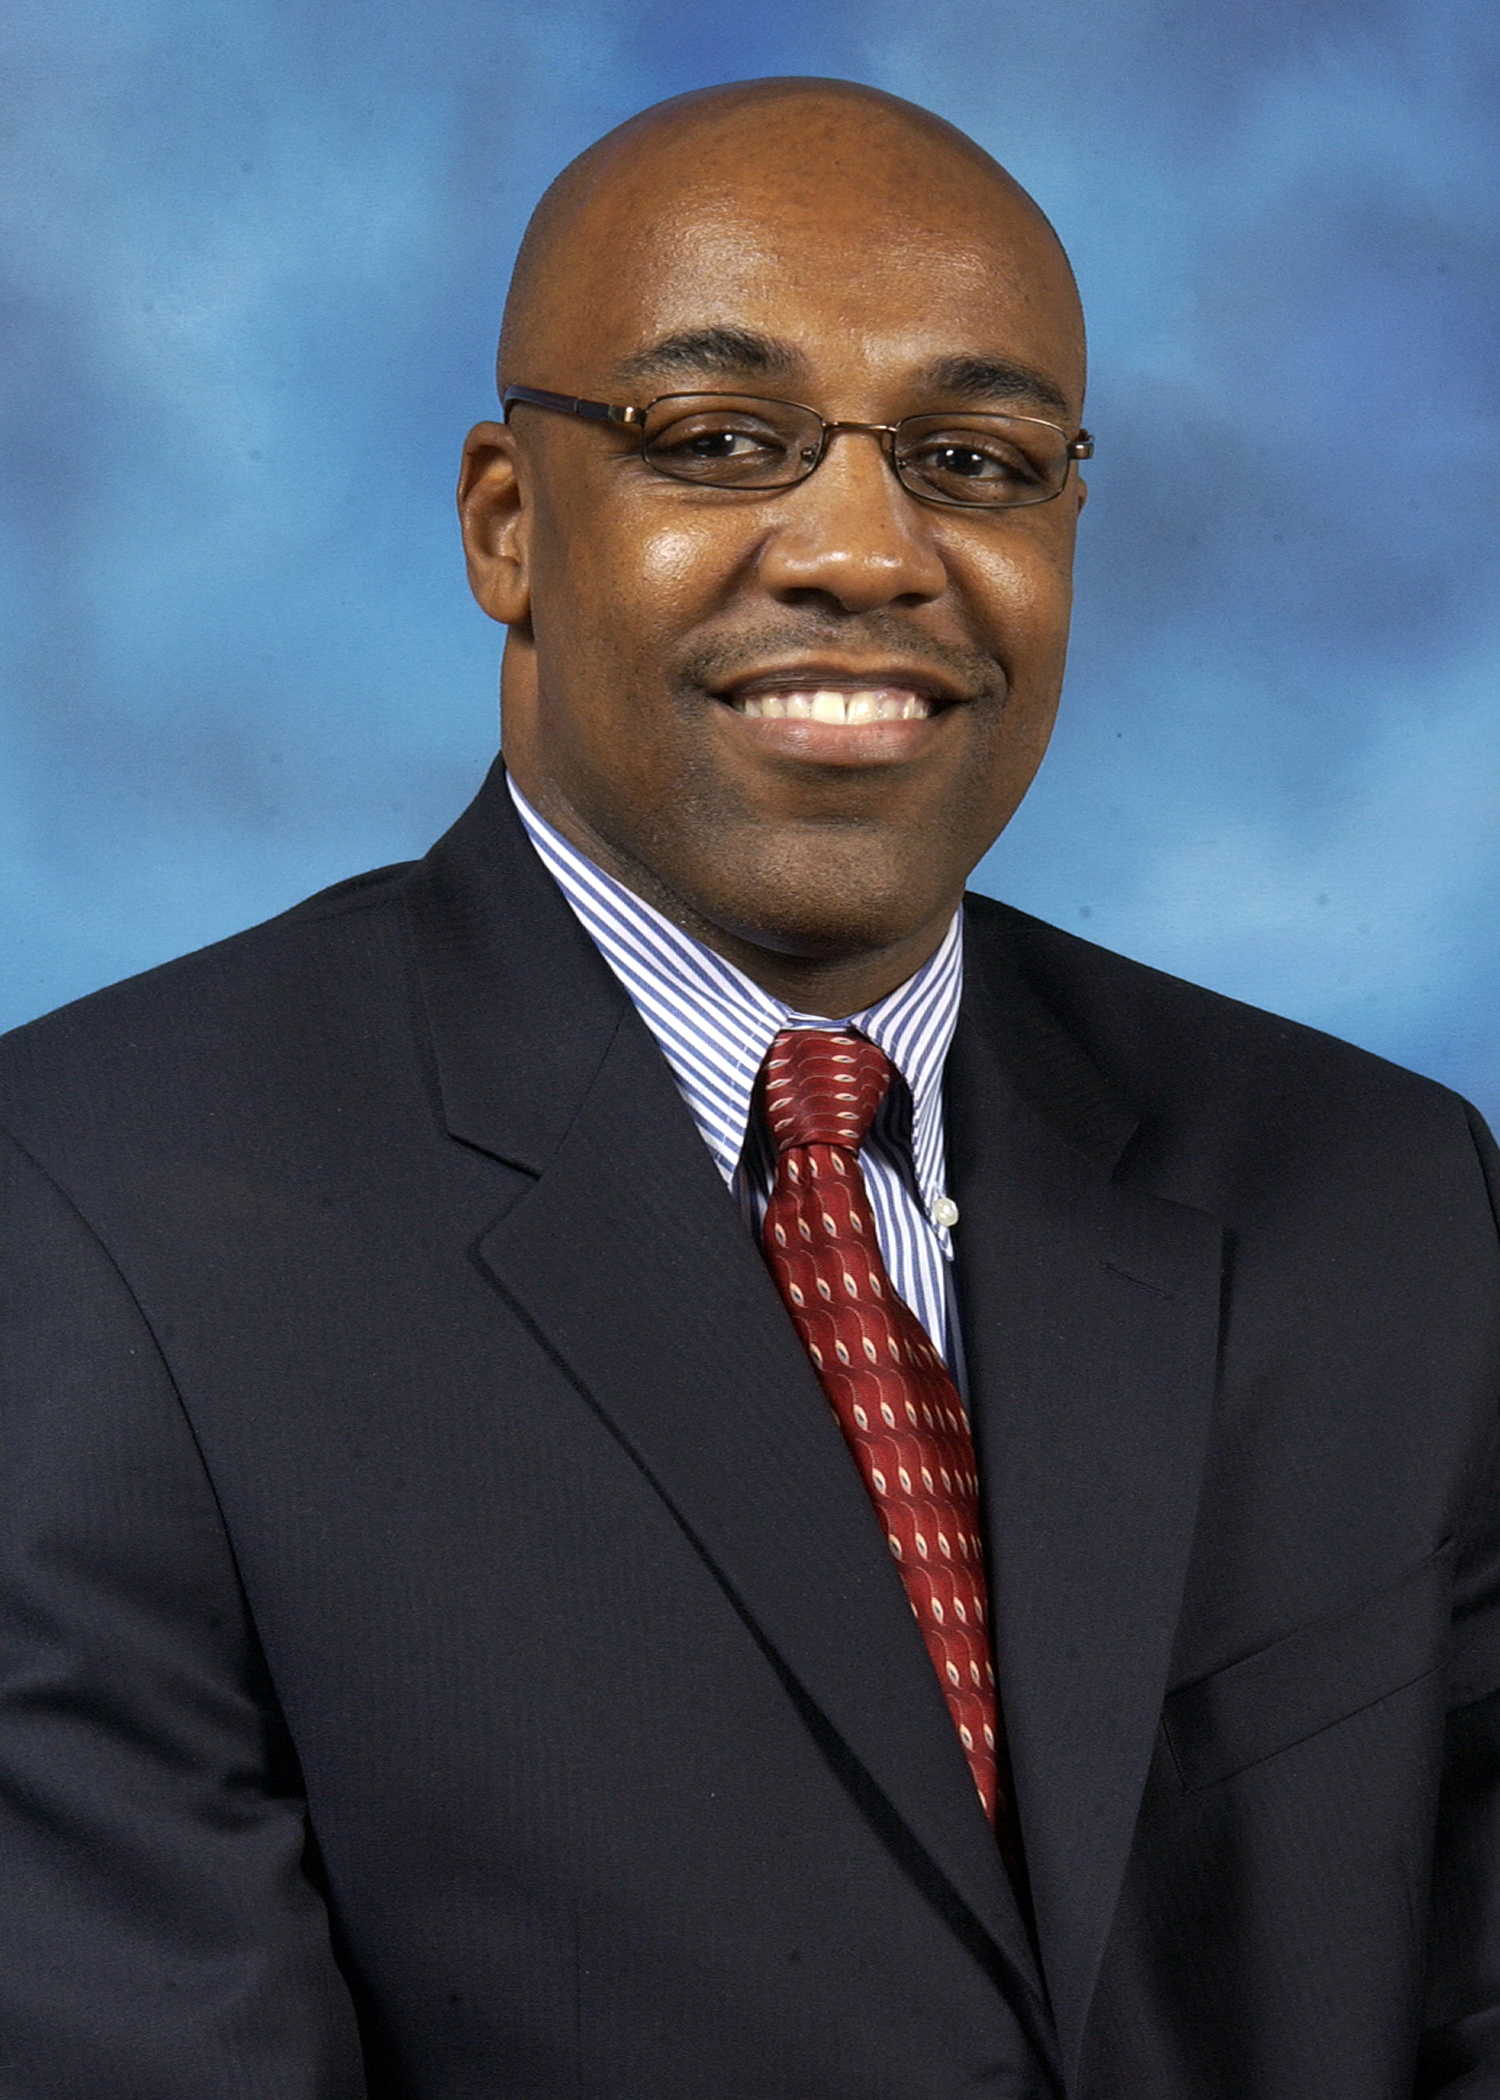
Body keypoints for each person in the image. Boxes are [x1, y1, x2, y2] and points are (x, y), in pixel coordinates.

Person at [0, 74, 1496, 2100]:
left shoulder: (1388, 1197)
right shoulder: (89, 1214)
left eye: (976, 459)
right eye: (720, 441)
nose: (872, 552)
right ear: (508, 528)